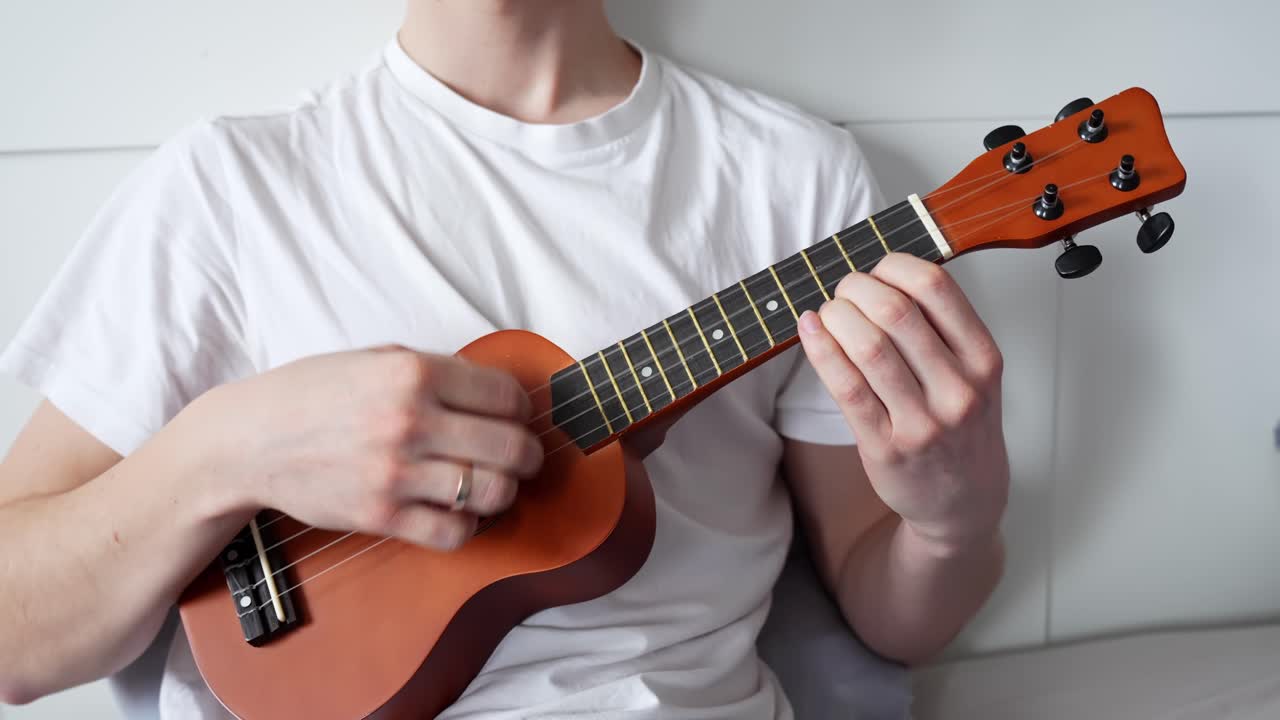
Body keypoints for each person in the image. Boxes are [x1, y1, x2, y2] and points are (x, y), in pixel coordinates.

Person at [0, 1, 1009, 718]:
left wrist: (952, 519)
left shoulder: (795, 181)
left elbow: (893, 624)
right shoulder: (230, 188)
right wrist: (223, 451)